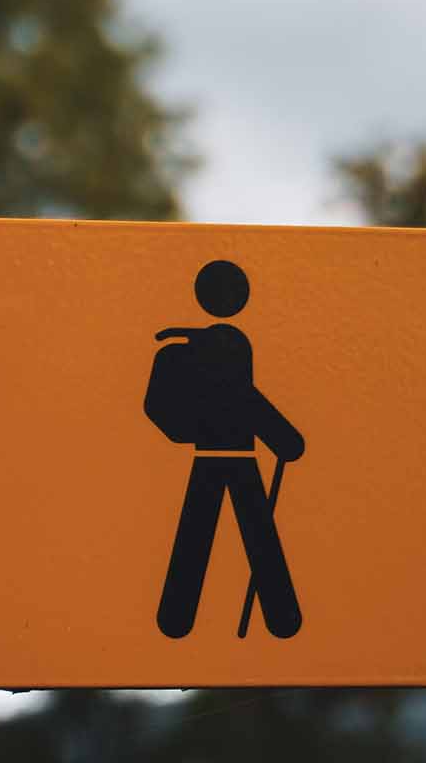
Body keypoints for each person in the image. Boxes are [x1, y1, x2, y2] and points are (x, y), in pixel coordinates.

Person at [145, 260, 305, 639]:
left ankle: (180, 621)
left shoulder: (216, 345)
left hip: (221, 459)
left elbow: (244, 400)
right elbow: (246, 400)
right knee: (244, 533)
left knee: (225, 533)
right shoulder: (224, 346)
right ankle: (278, 621)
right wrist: (285, 439)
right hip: (232, 458)